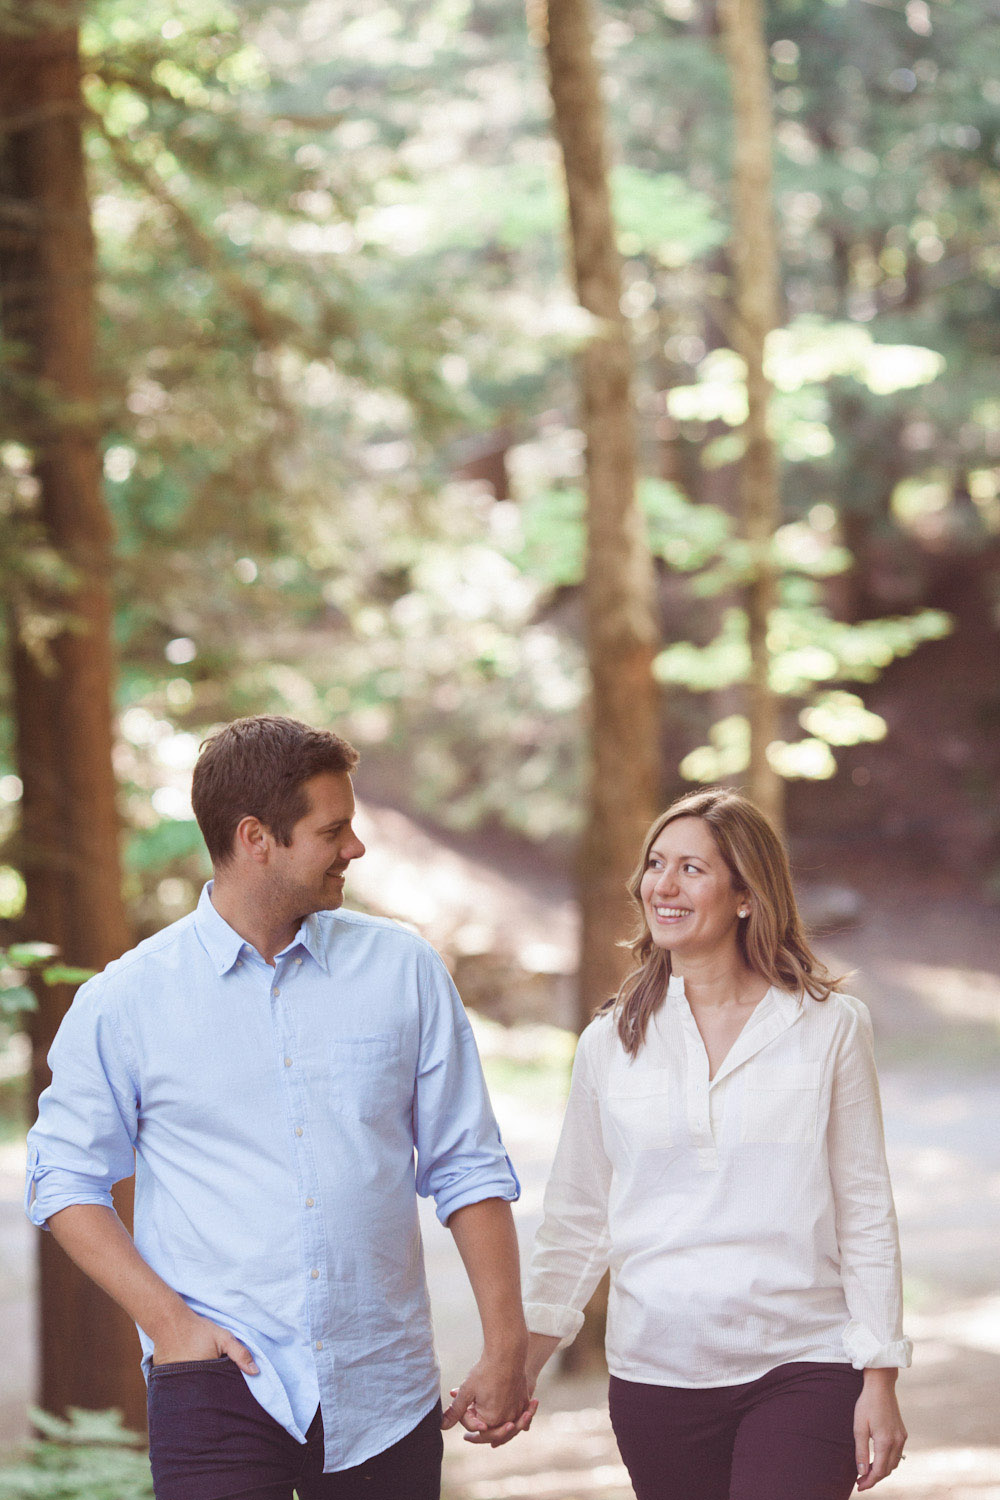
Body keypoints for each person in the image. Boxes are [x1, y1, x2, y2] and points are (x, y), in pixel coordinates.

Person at [26, 715, 534, 1500]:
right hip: (216, 1380)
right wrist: (171, 1328)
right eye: (334, 831)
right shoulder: (126, 1001)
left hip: (383, 1385)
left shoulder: (402, 970)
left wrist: (506, 1347)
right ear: (256, 837)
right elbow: (63, 1180)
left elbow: (466, 1165)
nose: (355, 849)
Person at [522, 787, 911, 1500]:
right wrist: (522, 1361)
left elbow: (864, 1209)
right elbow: (578, 1215)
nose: (662, 886)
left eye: (691, 869)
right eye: (655, 864)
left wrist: (879, 1373)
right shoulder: (610, 1043)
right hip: (655, 1373)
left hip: (804, 1361)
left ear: (745, 895)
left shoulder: (829, 1027)